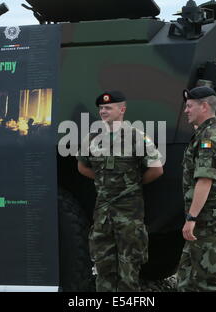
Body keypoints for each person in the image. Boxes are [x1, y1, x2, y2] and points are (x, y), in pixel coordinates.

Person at [77, 91, 164, 292]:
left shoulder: (137, 137)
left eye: (108, 107)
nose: (103, 111)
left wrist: (132, 185)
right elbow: (82, 167)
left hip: (129, 214)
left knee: (129, 268)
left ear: (122, 109)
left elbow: (157, 169)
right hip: (103, 214)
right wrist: (103, 182)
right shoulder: (91, 138)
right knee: (103, 266)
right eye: (101, 108)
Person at [176, 86, 216, 292]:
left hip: (206, 218)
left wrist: (191, 218)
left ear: (204, 106)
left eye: (190, 106)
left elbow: (205, 180)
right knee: (188, 273)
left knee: (207, 279)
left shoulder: (209, 138)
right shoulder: (210, 132)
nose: (186, 110)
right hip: (206, 216)